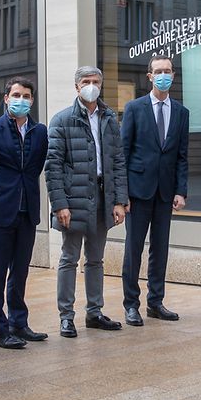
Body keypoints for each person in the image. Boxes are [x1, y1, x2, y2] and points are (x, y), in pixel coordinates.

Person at [45, 66, 128, 338]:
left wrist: (119, 201)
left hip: (103, 199)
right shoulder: (62, 120)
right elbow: (53, 166)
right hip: (74, 199)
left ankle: (95, 312)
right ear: (77, 87)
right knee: (69, 259)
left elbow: (118, 162)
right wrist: (60, 205)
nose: (91, 86)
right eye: (86, 81)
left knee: (96, 260)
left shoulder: (109, 118)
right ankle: (66, 317)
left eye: (95, 81)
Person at [0, 77, 49, 349]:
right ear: (6, 98)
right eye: (16, 94)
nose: (22, 99)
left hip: (27, 210)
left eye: (27, 95)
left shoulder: (40, 132)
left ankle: (20, 322)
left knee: (20, 271)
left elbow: (35, 167)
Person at [120, 55, 189, 325]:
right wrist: (122, 194)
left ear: (173, 75)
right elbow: (123, 153)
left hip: (165, 192)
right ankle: (131, 305)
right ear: (149, 76)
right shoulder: (135, 108)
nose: (164, 75)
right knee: (133, 250)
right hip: (137, 192)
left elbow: (182, 156)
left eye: (168, 71)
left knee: (160, 249)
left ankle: (155, 302)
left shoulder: (182, 112)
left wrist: (180, 191)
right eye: (158, 71)